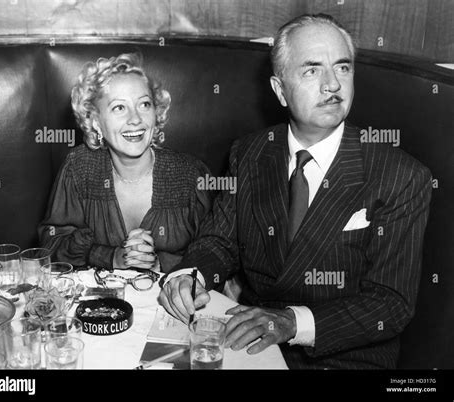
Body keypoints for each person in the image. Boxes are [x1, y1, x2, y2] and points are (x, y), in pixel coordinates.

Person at [158, 14, 432, 369]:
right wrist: (188, 276)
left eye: (343, 68)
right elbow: (218, 241)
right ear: (279, 90)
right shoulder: (251, 152)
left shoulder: (402, 176)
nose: (332, 84)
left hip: (343, 359)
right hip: (247, 341)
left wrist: (291, 322)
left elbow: (391, 304)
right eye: (312, 70)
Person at [38, 53, 212, 273]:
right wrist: (112, 257)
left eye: (144, 104)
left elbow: (216, 252)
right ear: (95, 122)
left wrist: (161, 264)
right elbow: (51, 245)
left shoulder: (190, 175)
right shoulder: (79, 168)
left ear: (156, 113)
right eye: (119, 108)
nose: (135, 119)